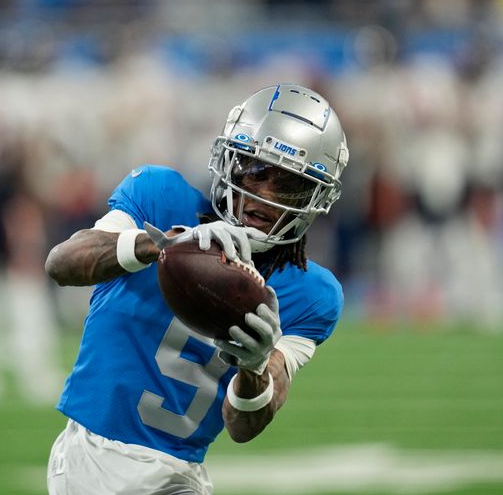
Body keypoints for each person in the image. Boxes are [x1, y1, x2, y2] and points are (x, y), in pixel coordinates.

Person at [44, 83, 349, 494]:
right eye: (257, 170)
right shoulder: (159, 197)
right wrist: (163, 243)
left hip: (180, 475)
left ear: (314, 198)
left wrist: (255, 368)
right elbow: (61, 263)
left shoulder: (313, 294)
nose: (265, 194)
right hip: (92, 461)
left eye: (291, 185)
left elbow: (244, 426)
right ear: (230, 160)